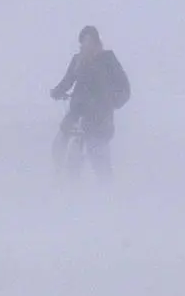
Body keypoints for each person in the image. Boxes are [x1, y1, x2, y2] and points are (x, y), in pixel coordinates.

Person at [50, 25, 130, 181]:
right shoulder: (78, 60)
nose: (86, 45)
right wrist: (57, 91)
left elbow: (125, 88)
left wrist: (111, 101)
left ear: (96, 41)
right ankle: (62, 179)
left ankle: (106, 191)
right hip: (77, 112)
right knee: (59, 143)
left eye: (89, 40)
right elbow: (68, 80)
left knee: (98, 155)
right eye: (83, 41)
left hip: (99, 116)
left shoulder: (108, 60)